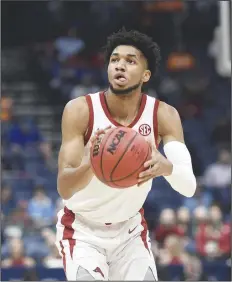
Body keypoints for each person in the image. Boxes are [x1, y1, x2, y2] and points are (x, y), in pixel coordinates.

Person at [56, 28, 196, 281]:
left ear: (146, 75)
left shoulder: (164, 115)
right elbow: (64, 188)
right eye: (114, 60)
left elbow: (189, 187)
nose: (119, 66)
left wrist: (168, 168)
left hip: (130, 232)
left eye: (130, 61)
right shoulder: (80, 110)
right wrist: (92, 162)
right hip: (81, 230)